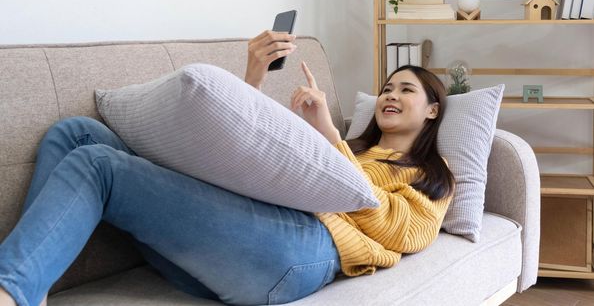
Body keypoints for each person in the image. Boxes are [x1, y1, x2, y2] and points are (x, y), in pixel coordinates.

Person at [0, 30, 455, 306]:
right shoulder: (349, 146)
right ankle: (31, 289)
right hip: (221, 246)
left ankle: (10, 290)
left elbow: (401, 234)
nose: (390, 95)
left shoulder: (432, 173)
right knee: (75, 132)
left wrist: (328, 136)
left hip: (299, 253)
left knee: (98, 164)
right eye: (387, 88)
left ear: (433, 110)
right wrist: (254, 78)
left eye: (406, 90)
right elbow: (238, 162)